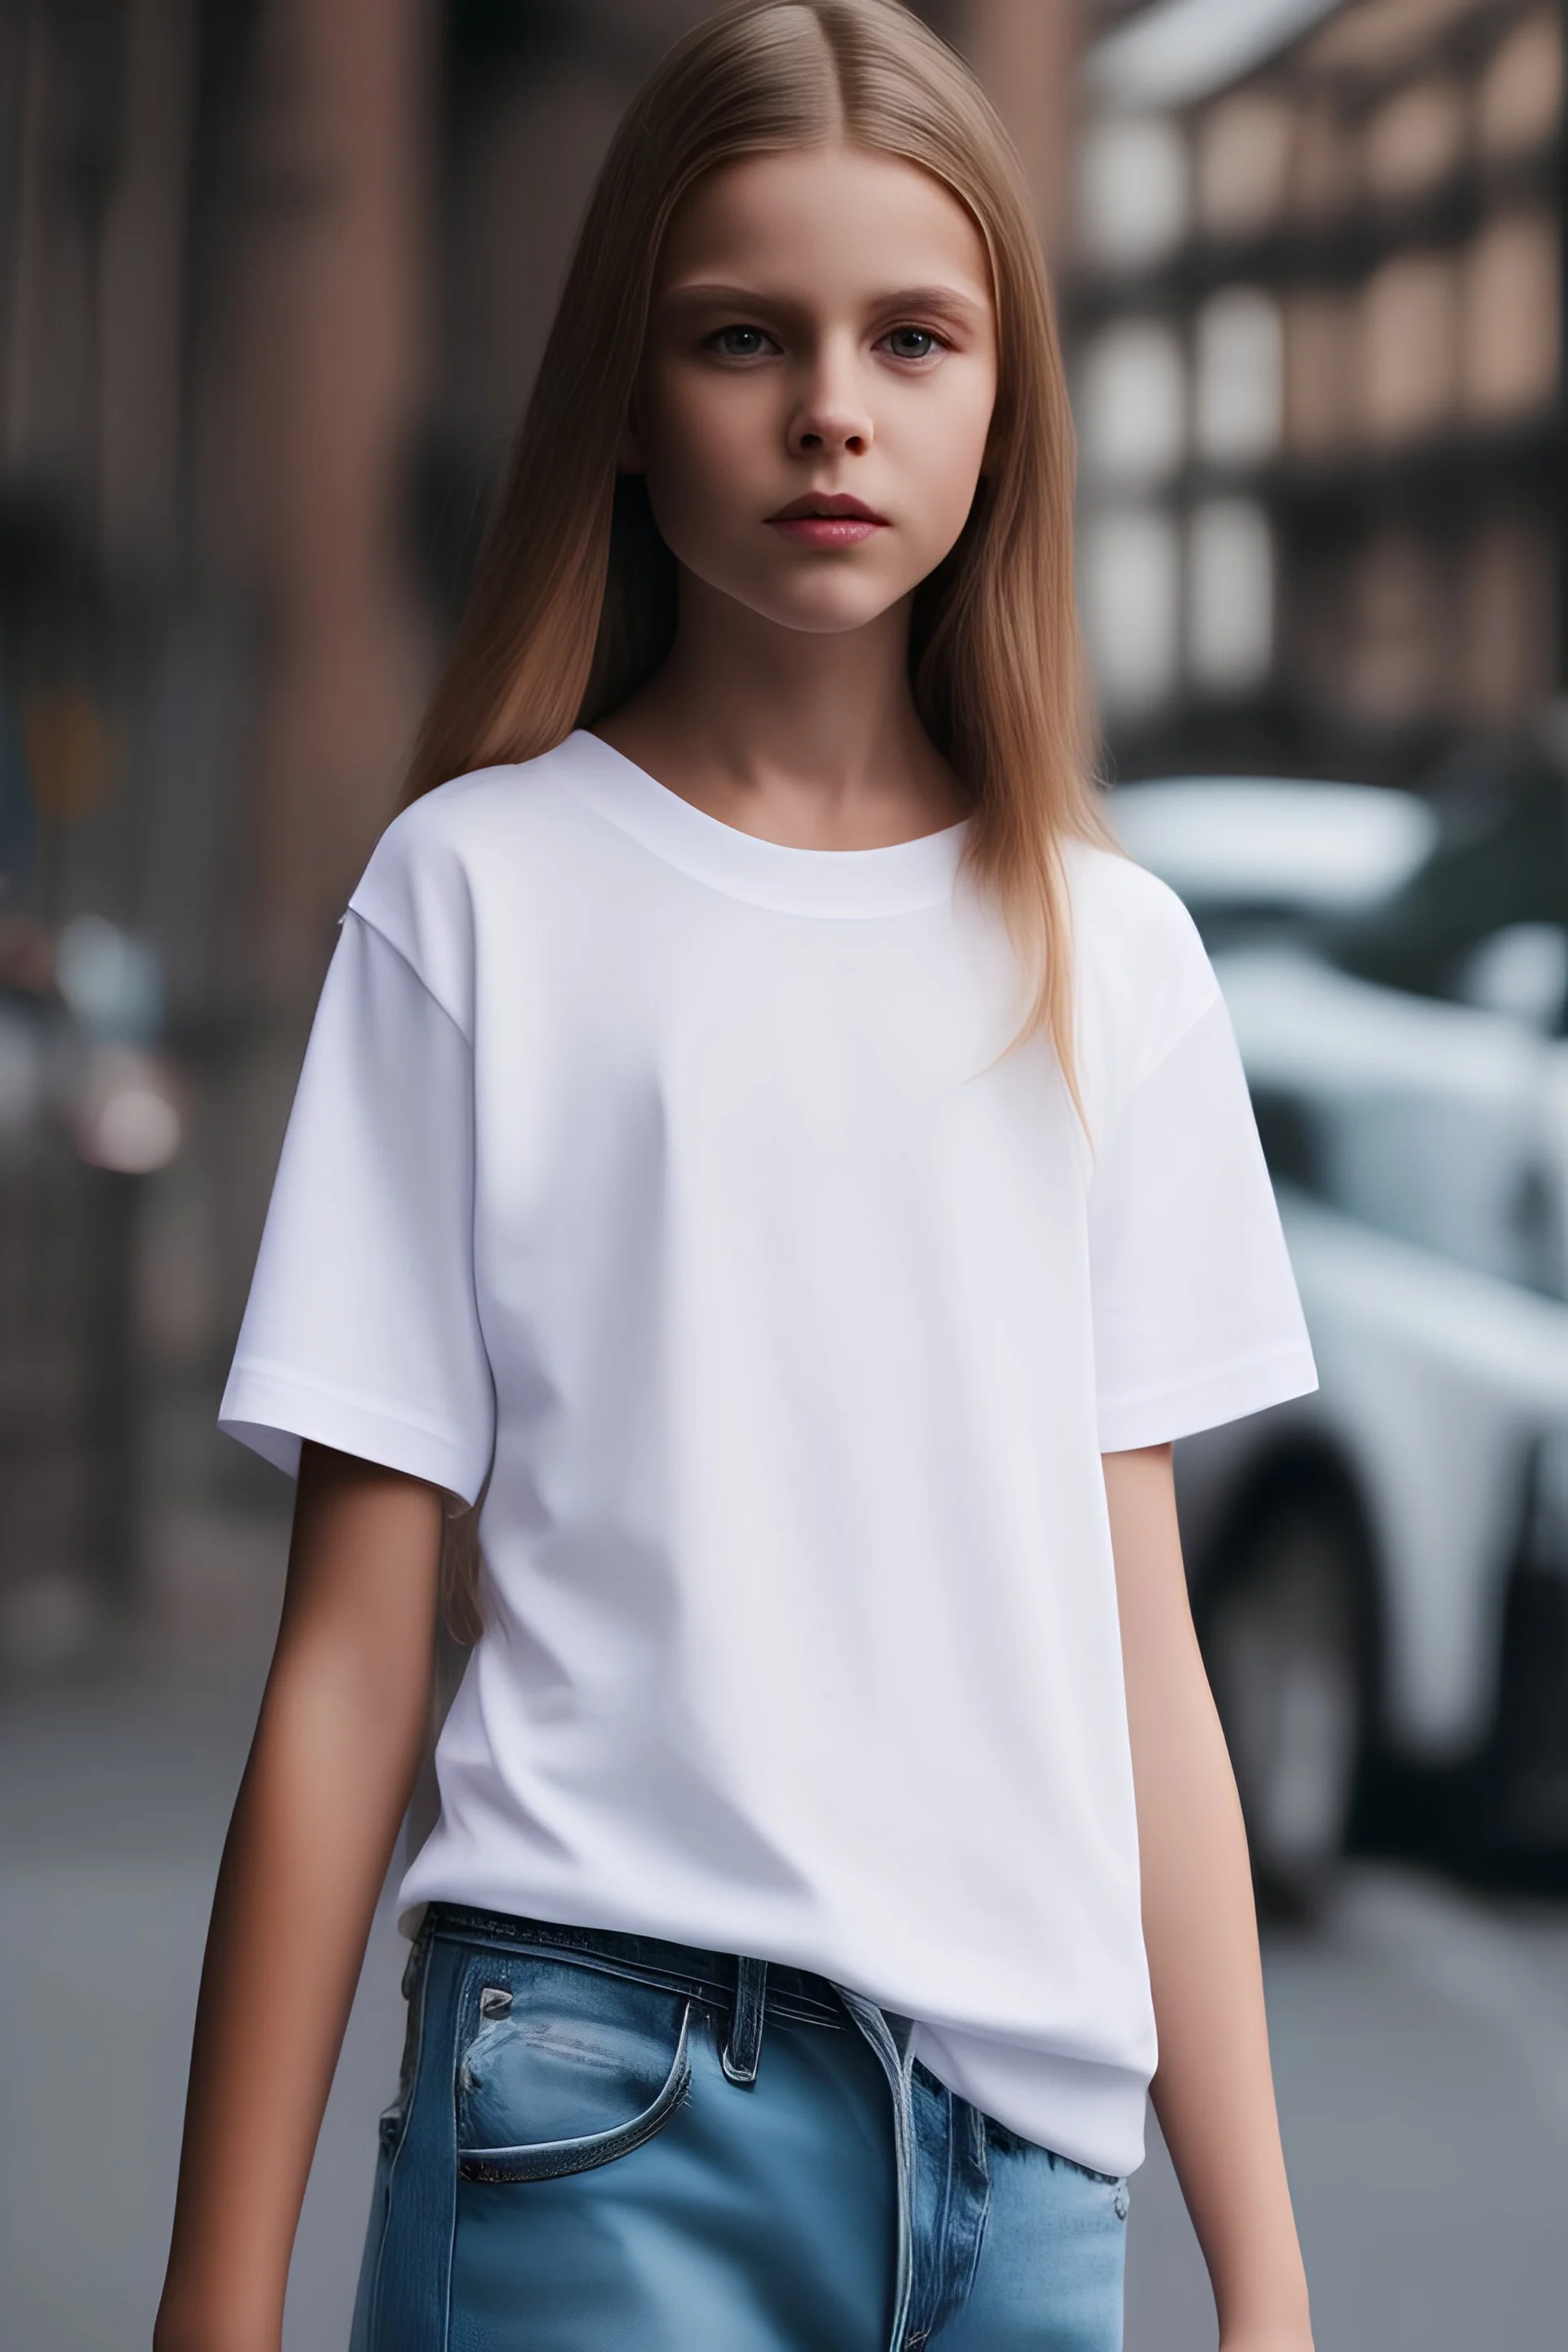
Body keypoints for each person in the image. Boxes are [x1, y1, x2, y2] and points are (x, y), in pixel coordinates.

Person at [155, 6, 1320, 2348]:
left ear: (1006, 400)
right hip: (593, 2116)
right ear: (626, 389)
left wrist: (1268, 2284)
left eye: (913, 335)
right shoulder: (473, 901)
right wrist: (218, 2295)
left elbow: (1141, 1664)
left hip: (1030, 2181)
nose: (832, 408)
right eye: (740, 337)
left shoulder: (1121, 960)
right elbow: (355, 1665)